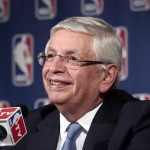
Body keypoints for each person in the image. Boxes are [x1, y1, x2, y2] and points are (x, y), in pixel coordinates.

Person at [2, 16, 150, 150]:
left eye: (72, 59)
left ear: (106, 76)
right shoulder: (29, 124)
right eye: (51, 56)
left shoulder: (137, 122)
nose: (54, 67)